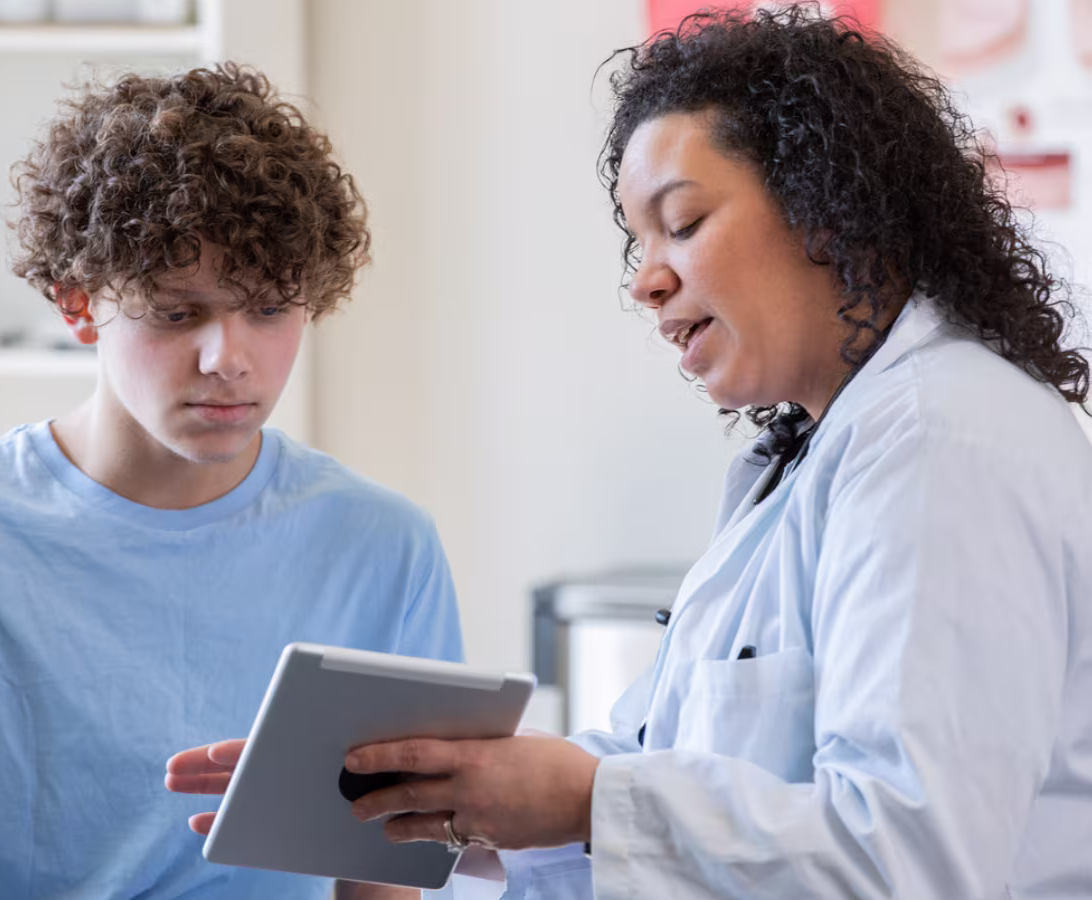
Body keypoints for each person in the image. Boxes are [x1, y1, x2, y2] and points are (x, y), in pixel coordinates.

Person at [168, 7, 1092, 899]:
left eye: (683, 224)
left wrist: (587, 801)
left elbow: (913, 865)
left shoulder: (944, 441)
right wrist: (431, 794)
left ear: (832, 209)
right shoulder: (812, 460)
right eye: (638, 243)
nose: (647, 282)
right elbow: (665, 770)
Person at [0, 63, 459, 900]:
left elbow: (384, 880)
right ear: (80, 304)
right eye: (176, 311)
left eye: (269, 308)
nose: (228, 358)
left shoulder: (383, 548)